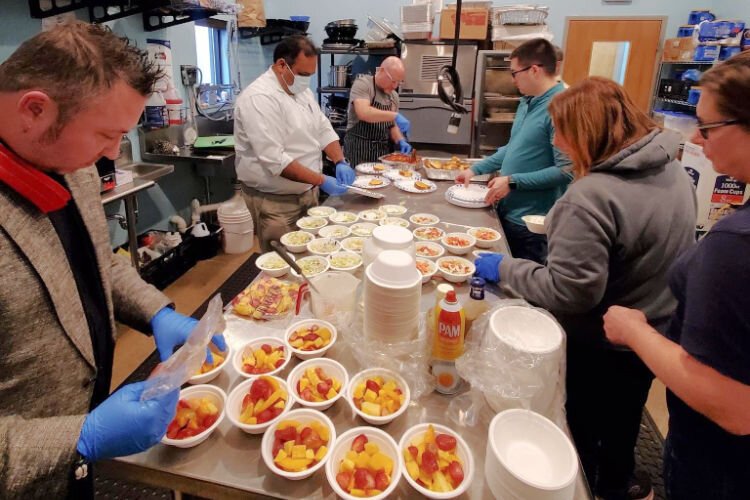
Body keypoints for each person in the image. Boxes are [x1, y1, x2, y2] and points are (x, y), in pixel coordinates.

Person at [0, 22, 224, 498]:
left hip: (71, 471)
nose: (109, 155)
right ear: (35, 110)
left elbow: (97, 260)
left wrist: (157, 312)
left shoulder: (71, 167)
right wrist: (75, 438)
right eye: (106, 135)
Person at [474, 77, 696, 500]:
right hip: (653, 333)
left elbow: (570, 292)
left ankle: (590, 485)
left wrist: (504, 267)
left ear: (584, 131)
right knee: (624, 421)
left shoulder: (591, 196)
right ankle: (621, 481)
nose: (556, 140)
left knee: (580, 428)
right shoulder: (672, 171)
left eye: (561, 130)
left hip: (602, 342)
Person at [603, 52, 750, 500]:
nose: (700, 143)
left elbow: (734, 405)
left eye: (707, 128)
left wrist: (636, 331)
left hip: (720, 461)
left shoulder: (736, 243)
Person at [456, 38, 572, 264]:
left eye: (514, 73)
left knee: (525, 289)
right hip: (508, 211)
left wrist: (512, 181)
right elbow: (514, 147)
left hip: (532, 223)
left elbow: (567, 171)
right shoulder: (527, 102)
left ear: (534, 70)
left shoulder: (561, 107)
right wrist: (476, 169)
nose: (512, 79)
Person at [234, 35, 353, 251]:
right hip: (275, 202)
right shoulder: (259, 98)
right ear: (281, 65)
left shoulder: (301, 91)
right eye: (303, 74)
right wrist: (322, 179)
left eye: (310, 75)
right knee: (282, 261)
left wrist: (340, 160)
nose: (306, 81)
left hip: (308, 193)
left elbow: (323, 128)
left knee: (311, 254)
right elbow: (275, 160)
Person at [343, 56, 411, 166]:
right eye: (393, 81)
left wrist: (400, 140)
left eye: (399, 82)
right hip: (358, 151)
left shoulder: (394, 96)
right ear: (382, 71)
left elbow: (392, 126)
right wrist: (395, 115)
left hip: (381, 154)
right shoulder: (363, 84)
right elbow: (364, 113)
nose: (395, 86)